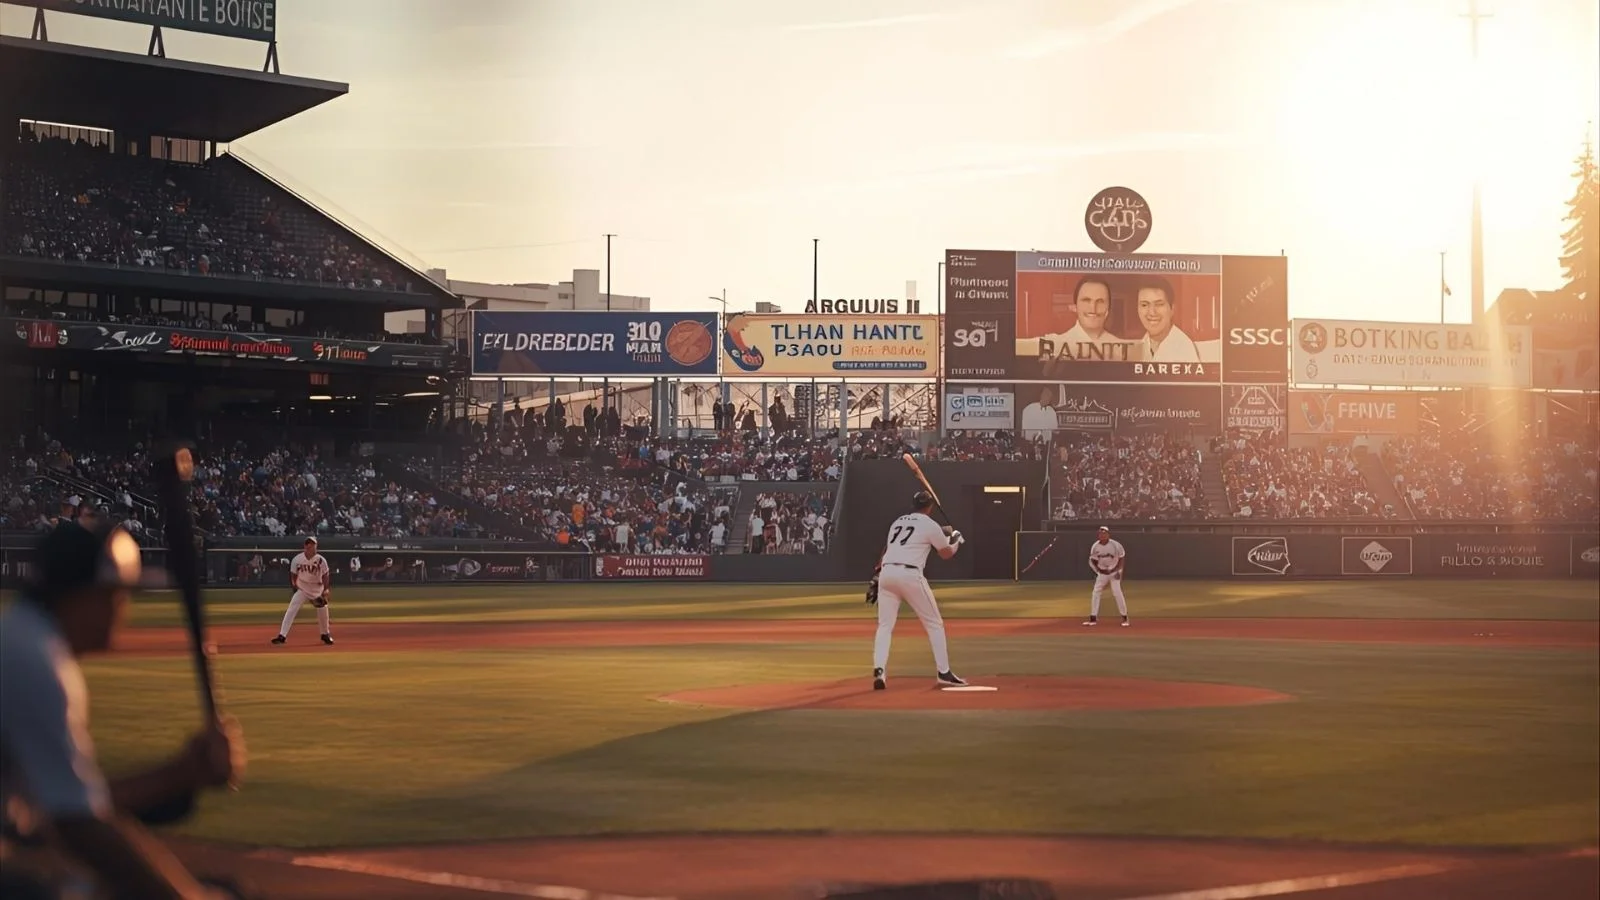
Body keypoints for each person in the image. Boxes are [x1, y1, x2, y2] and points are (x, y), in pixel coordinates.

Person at [0, 521, 246, 899]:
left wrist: (182, 774)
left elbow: (69, 807)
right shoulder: (35, 661)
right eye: (115, 596)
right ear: (81, 596)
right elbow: (78, 824)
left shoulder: (22, 639)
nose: (123, 610)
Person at [869, 491, 967, 689]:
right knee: (935, 624)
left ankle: (879, 671)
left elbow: (887, 550)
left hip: (887, 574)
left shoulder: (898, 522)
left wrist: (877, 575)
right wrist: (956, 540)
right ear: (930, 506)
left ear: (913, 505)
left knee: (885, 626)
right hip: (910, 574)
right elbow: (946, 553)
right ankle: (944, 673)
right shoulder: (930, 525)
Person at [270, 536, 333, 646]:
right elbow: (293, 575)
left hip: (316, 589)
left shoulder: (321, 560)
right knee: (292, 608)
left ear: (315, 546)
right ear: (304, 546)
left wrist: (326, 589)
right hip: (303, 587)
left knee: (323, 609)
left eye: (312, 544)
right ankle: (282, 635)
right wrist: (295, 587)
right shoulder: (297, 559)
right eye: (307, 544)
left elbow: (325, 575)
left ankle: (325, 634)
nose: (309, 546)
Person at [1133, 277, 1201, 363]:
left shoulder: (1184, 349)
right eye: (1144, 305)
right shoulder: (1140, 346)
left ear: (1172, 309)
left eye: (1159, 304)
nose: (1152, 312)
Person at [1084, 526, 1130, 626]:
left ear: (1108, 534)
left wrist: (1118, 571)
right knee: (1096, 592)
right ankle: (1093, 618)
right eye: (1100, 533)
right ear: (1098, 535)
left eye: (1104, 533)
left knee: (1117, 592)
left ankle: (1125, 617)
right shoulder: (1095, 546)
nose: (1102, 535)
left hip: (1114, 572)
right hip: (1102, 573)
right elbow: (1092, 560)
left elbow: (1122, 558)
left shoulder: (1115, 545)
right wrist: (1099, 571)